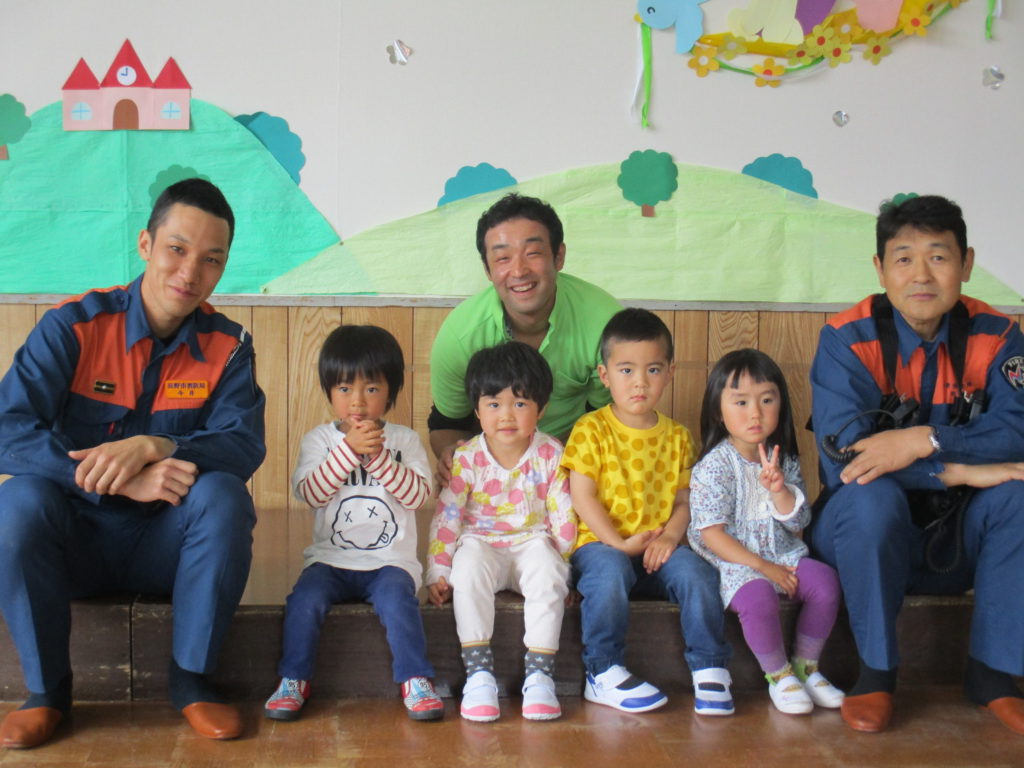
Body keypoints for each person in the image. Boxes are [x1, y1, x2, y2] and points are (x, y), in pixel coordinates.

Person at [0, 178, 266, 748]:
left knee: (224, 497)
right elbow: (8, 430)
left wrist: (157, 446)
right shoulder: (74, 327)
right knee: (16, 501)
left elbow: (243, 443)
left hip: (165, 547)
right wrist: (114, 481)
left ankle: (193, 681)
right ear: (145, 244)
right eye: (177, 249)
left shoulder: (228, 346)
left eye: (211, 259)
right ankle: (46, 694)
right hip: (74, 541)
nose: (190, 272)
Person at [809, 194, 1024, 734]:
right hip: (862, 534)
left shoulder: (1000, 336)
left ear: (966, 264)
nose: (921, 274)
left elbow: (1017, 432)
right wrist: (960, 469)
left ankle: (993, 675)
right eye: (904, 258)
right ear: (880, 269)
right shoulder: (846, 339)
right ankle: (876, 674)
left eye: (939, 256)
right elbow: (846, 463)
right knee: (870, 496)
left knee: (1018, 495)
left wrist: (925, 440)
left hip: (961, 529)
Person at [264, 325, 444, 722]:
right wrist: (348, 451)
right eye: (345, 388)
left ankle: (415, 679)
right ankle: (293, 678)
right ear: (329, 391)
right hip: (330, 560)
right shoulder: (318, 441)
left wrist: (377, 458)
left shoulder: (405, 441)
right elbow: (311, 494)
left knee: (398, 602)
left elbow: (417, 497)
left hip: (390, 562)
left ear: (391, 391)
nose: (357, 401)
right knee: (304, 601)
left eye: (372, 388)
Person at [561, 308, 733, 715]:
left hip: (659, 547)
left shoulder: (678, 437)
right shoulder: (591, 429)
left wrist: (671, 536)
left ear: (670, 372)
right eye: (626, 370)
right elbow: (582, 497)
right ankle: (602, 671)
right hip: (602, 547)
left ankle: (710, 667)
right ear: (604, 375)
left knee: (699, 574)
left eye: (653, 369)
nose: (640, 382)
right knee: (609, 574)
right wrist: (619, 544)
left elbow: (685, 500)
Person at [426, 341, 576, 722]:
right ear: (477, 410)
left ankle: (540, 676)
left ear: (541, 408)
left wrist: (567, 571)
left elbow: (563, 515)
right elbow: (447, 517)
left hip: (532, 542)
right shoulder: (466, 458)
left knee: (547, 568)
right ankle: (479, 676)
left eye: (520, 403)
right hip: (482, 542)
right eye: (494, 404)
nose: (506, 415)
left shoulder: (552, 454)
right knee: (467, 568)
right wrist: (438, 572)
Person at [688, 349, 844, 715]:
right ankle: (780, 675)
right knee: (759, 599)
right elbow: (712, 535)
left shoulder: (783, 459)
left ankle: (807, 667)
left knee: (825, 583)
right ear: (718, 411)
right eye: (741, 402)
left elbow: (798, 522)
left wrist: (780, 490)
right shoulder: (714, 466)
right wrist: (762, 567)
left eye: (767, 400)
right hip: (735, 564)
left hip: (783, 556)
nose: (755, 413)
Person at [428, 193, 621, 483]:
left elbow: (609, 420)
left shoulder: (606, 326)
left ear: (559, 256)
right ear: (487, 269)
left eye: (532, 253)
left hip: (577, 464)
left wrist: (555, 468)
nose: (519, 271)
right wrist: (454, 457)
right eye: (502, 258)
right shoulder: (459, 336)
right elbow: (446, 424)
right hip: (490, 473)